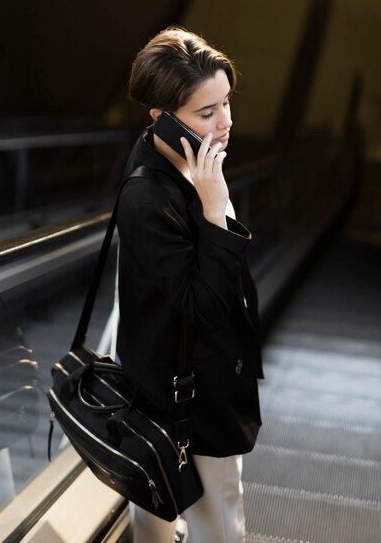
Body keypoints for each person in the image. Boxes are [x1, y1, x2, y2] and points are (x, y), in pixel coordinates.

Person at [116, 27, 263, 543]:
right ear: (161, 118)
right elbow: (207, 308)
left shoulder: (183, 160)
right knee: (218, 518)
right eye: (207, 113)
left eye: (226, 102)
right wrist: (213, 208)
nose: (226, 122)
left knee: (154, 507)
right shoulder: (152, 196)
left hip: (166, 380)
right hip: (188, 394)